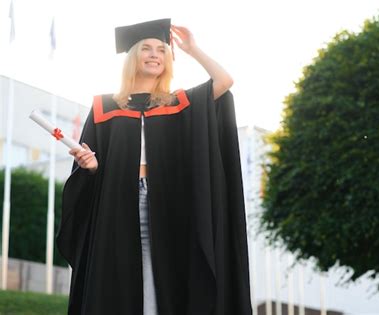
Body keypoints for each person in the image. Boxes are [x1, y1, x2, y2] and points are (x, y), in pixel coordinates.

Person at [56, 18, 252, 315]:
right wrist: (92, 165)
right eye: (146, 48)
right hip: (118, 205)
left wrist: (193, 49)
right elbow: (88, 168)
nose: (154, 54)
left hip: (170, 205)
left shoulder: (180, 102)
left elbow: (223, 82)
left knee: (167, 276)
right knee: (122, 278)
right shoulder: (104, 107)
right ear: (133, 56)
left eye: (161, 50)